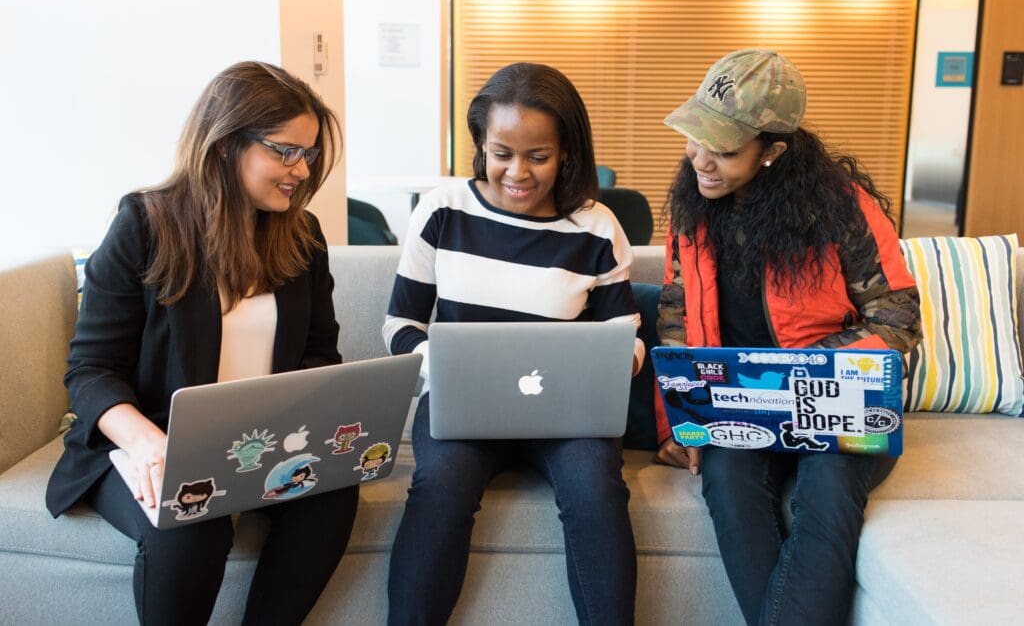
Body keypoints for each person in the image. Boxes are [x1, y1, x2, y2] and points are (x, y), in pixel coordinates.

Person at [45, 61, 358, 625]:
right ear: (224, 144)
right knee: (195, 515)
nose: (301, 169)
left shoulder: (302, 235)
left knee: (332, 498)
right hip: (146, 447)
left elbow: (319, 355)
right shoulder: (144, 223)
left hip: (261, 445)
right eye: (285, 151)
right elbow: (90, 370)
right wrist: (146, 444)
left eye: (309, 154)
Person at [654, 49, 922, 625]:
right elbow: (676, 317)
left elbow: (896, 318)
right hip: (741, 407)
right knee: (726, 481)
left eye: (723, 149)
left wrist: (802, 372)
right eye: (695, 137)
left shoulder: (841, 210)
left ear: (773, 151)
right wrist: (680, 423)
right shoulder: (690, 209)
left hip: (842, 405)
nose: (700, 159)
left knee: (824, 493)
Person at [383, 62, 644, 625]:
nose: (517, 173)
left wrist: (622, 356)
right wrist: (443, 365)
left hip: (568, 413)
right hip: (462, 407)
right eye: (502, 153)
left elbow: (624, 331)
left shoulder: (596, 228)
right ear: (481, 145)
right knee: (439, 486)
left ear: (567, 151)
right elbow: (400, 324)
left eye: (538, 156)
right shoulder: (443, 209)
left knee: (596, 490)